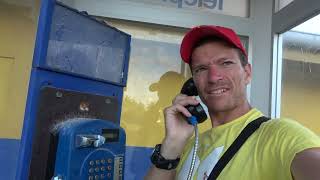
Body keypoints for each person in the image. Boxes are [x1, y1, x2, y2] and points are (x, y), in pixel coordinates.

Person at [144, 25, 320, 180]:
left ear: (247, 73)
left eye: (226, 63)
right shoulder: (188, 145)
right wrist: (172, 144)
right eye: (202, 69)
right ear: (193, 83)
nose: (213, 77)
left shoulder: (279, 135)